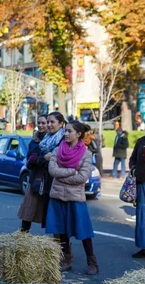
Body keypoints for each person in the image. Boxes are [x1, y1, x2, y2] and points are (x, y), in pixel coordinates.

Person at [45, 120, 99, 275]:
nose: (66, 134)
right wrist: (70, 172)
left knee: (84, 231)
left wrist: (62, 175)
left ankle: (92, 262)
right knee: (61, 231)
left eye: (69, 131)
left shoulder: (86, 153)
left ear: (78, 134)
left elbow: (82, 177)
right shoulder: (58, 150)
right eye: (65, 131)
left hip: (75, 198)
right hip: (57, 196)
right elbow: (52, 171)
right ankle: (66, 260)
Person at [18, 114, 49, 232]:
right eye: (39, 123)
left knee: (50, 214)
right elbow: (29, 162)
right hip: (35, 178)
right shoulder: (33, 141)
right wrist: (36, 159)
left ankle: (59, 243)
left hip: (49, 179)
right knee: (28, 210)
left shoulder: (54, 141)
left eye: (44, 123)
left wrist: (36, 159)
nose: (41, 126)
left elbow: (50, 159)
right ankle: (22, 237)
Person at [128, 134, 145, 258]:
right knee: (143, 216)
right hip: (142, 183)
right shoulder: (141, 141)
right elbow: (133, 158)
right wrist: (135, 170)